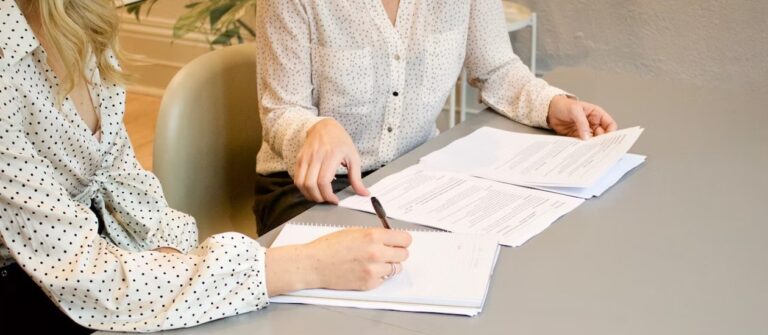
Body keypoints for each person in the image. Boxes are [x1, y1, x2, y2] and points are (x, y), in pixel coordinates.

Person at [0, 1, 410, 333]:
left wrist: (170, 259)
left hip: (100, 267)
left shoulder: (82, 20)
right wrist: (307, 266)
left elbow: (125, 185)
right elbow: (87, 278)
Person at [253, 0, 619, 234]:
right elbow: (282, 110)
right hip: (310, 189)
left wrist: (551, 104)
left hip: (413, 177)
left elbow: (496, 68)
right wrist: (315, 129)